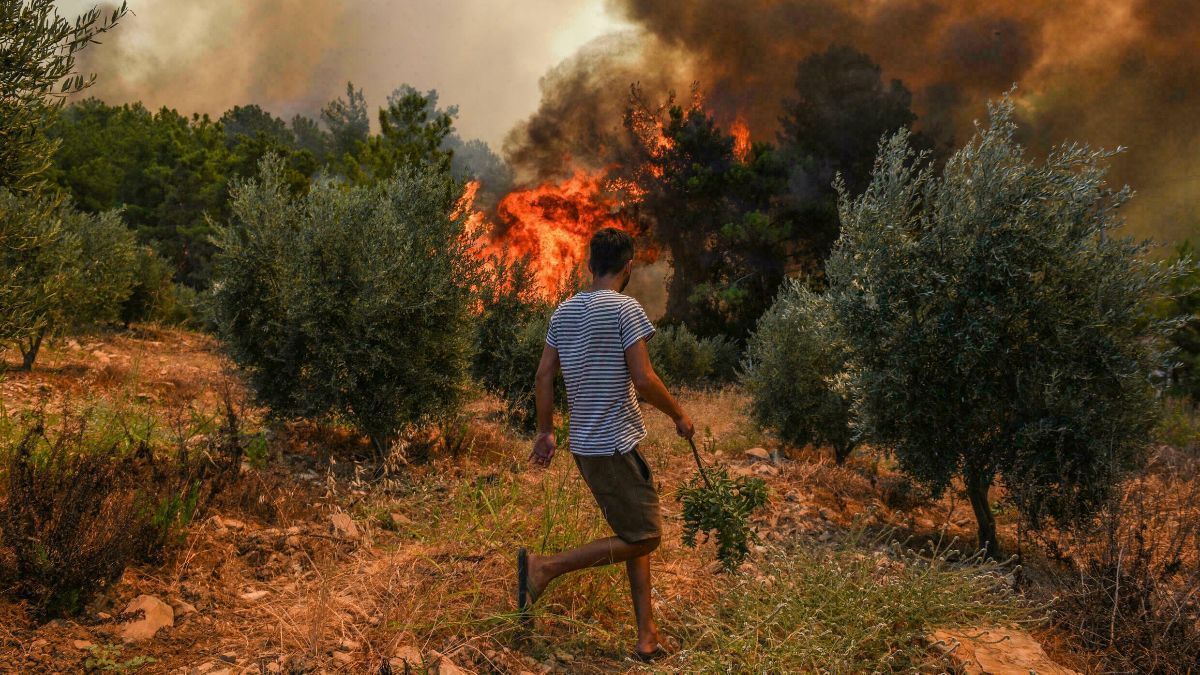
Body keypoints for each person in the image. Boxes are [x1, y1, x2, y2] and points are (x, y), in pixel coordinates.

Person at [517, 227, 695, 662]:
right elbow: (643, 377)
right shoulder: (625, 309)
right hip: (615, 444)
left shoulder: (563, 312)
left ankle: (646, 639)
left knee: (632, 532)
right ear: (628, 266)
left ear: (589, 263)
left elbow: (543, 376)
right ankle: (543, 569)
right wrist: (679, 415)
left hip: (586, 446)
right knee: (647, 535)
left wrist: (546, 431)